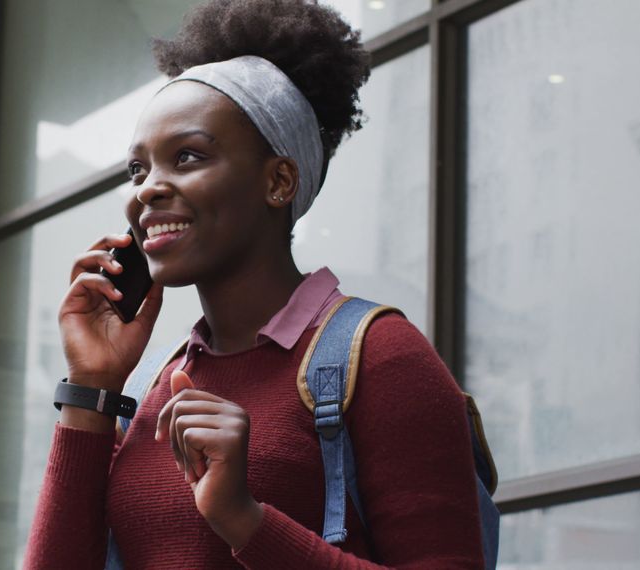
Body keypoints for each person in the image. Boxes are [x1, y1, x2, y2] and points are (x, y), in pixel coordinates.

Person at [26, 0, 486, 567]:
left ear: (279, 181)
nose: (146, 190)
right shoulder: (147, 389)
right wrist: (91, 387)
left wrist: (244, 520)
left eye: (187, 157)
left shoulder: (383, 357)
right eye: (138, 169)